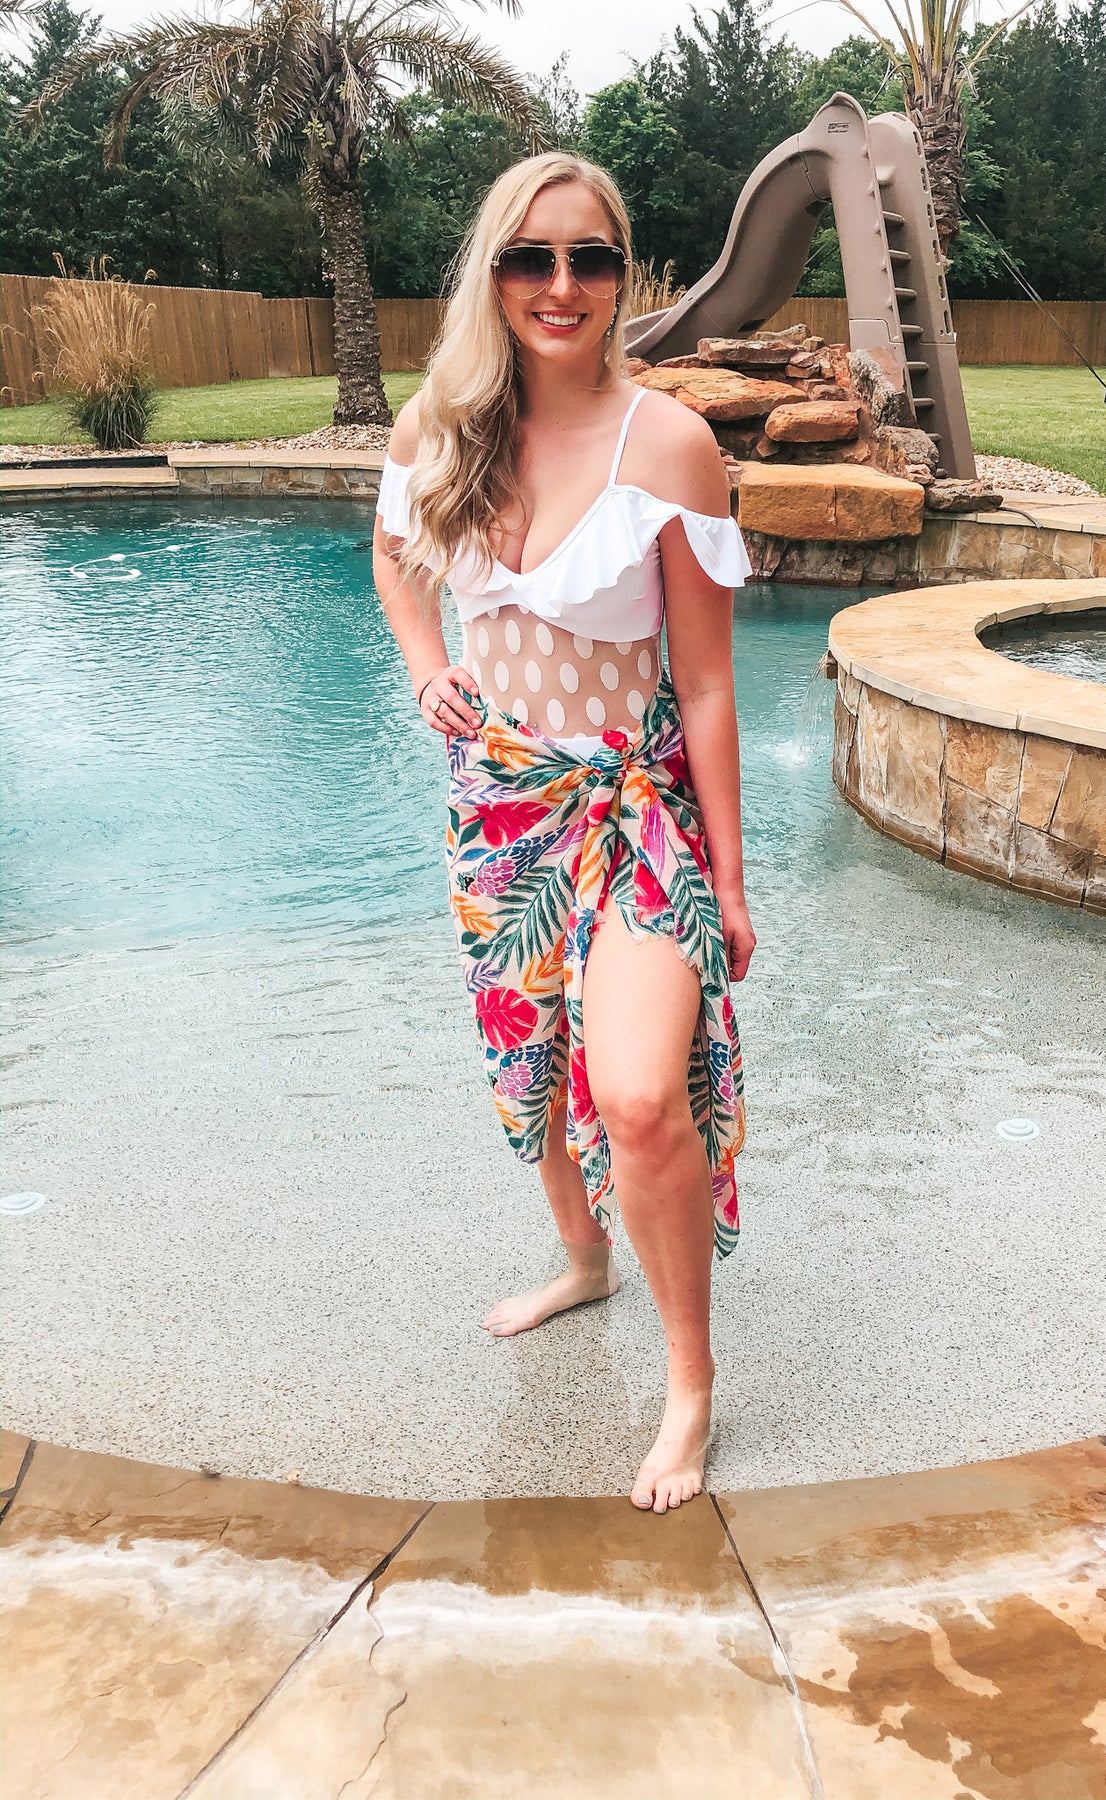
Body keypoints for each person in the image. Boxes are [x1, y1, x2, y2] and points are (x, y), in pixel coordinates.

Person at [371, 152, 756, 1515]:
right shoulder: (440, 427)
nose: (560, 284)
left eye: (590, 258)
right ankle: (584, 1262)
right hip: (502, 809)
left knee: (641, 1096)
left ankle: (689, 1382)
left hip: (639, 809)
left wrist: (731, 879)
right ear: (493, 274)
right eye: (530, 257)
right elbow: (393, 555)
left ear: (621, 276)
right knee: (531, 1065)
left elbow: (708, 683)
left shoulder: (670, 445)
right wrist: (427, 664)